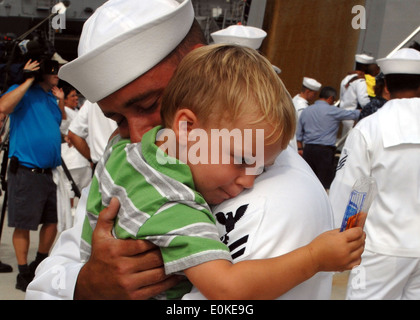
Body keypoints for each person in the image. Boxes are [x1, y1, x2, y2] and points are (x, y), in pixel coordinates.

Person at [26, 0, 364, 300]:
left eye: (150, 104)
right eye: (118, 120)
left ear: (197, 67)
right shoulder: (135, 159)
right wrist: (86, 285)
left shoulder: (276, 195)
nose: (139, 135)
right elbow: (46, 281)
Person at [329, 48, 420, 300]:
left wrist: (337, 240)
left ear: (386, 86)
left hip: (382, 250)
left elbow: (348, 190)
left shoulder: (370, 127)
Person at [0, 58, 65, 291]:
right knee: (24, 224)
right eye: (52, 71)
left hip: (49, 172)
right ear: (41, 74)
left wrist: (61, 103)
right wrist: (28, 81)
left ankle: (39, 262)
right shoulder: (23, 92)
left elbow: (58, 124)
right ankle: (23, 271)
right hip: (27, 169)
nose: (57, 74)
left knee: (52, 221)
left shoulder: (50, 97)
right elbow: (3, 107)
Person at [296, 86, 360, 190]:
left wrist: (300, 149)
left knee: (308, 182)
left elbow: (299, 134)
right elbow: (354, 115)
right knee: (325, 185)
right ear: (330, 98)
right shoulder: (333, 111)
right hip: (324, 152)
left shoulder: (306, 110)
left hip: (308, 150)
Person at [60, 86, 92, 208]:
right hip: (70, 159)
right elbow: (62, 118)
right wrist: (61, 100)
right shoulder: (65, 111)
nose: (76, 98)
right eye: (72, 96)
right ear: (66, 100)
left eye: (76, 95)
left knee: (85, 192)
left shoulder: (78, 111)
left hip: (83, 160)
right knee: (69, 191)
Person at [67, 100, 117, 169]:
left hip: (101, 165)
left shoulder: (91, 101)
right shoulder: (91, 101)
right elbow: (73, 134)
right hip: (124, 161)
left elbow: (73, 134)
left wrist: (92, 158)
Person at [338, 54, 374, 138]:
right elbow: (364, 102)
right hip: (355, 117)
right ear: (365, 67)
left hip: (345, 115)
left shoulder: (346, 79)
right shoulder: (360, 81)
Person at [290, 77, 322, 151]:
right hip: (296, 144)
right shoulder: (303, 108)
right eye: (314, 94)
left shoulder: (295, 99)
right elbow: (301, 129)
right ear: (308, 92)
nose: (315, 97)